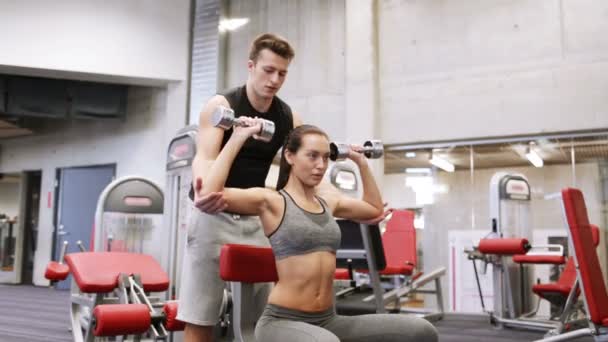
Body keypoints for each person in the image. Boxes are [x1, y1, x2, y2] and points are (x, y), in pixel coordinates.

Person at [199, 122, 439, 342]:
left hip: (328, 319)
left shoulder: (328, 202)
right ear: (290, 156)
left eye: (325, 158)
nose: (321, 165)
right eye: (312, 156)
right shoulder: (271, 201)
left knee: (422, 331)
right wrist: (237, 137)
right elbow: (211, 191)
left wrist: (361, 162)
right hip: (282, 321)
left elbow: (373, 208)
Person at [177, 33, 302, 342]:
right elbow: (204, 156)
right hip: (213, 213)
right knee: (200, 314)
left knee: (259, 319)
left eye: (282, 73)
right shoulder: (222, 105)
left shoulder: (288, 117)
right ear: (251, 66)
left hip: (253, 216)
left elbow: (300, 170)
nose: (274, 80)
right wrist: (203, 186)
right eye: (267, 70)